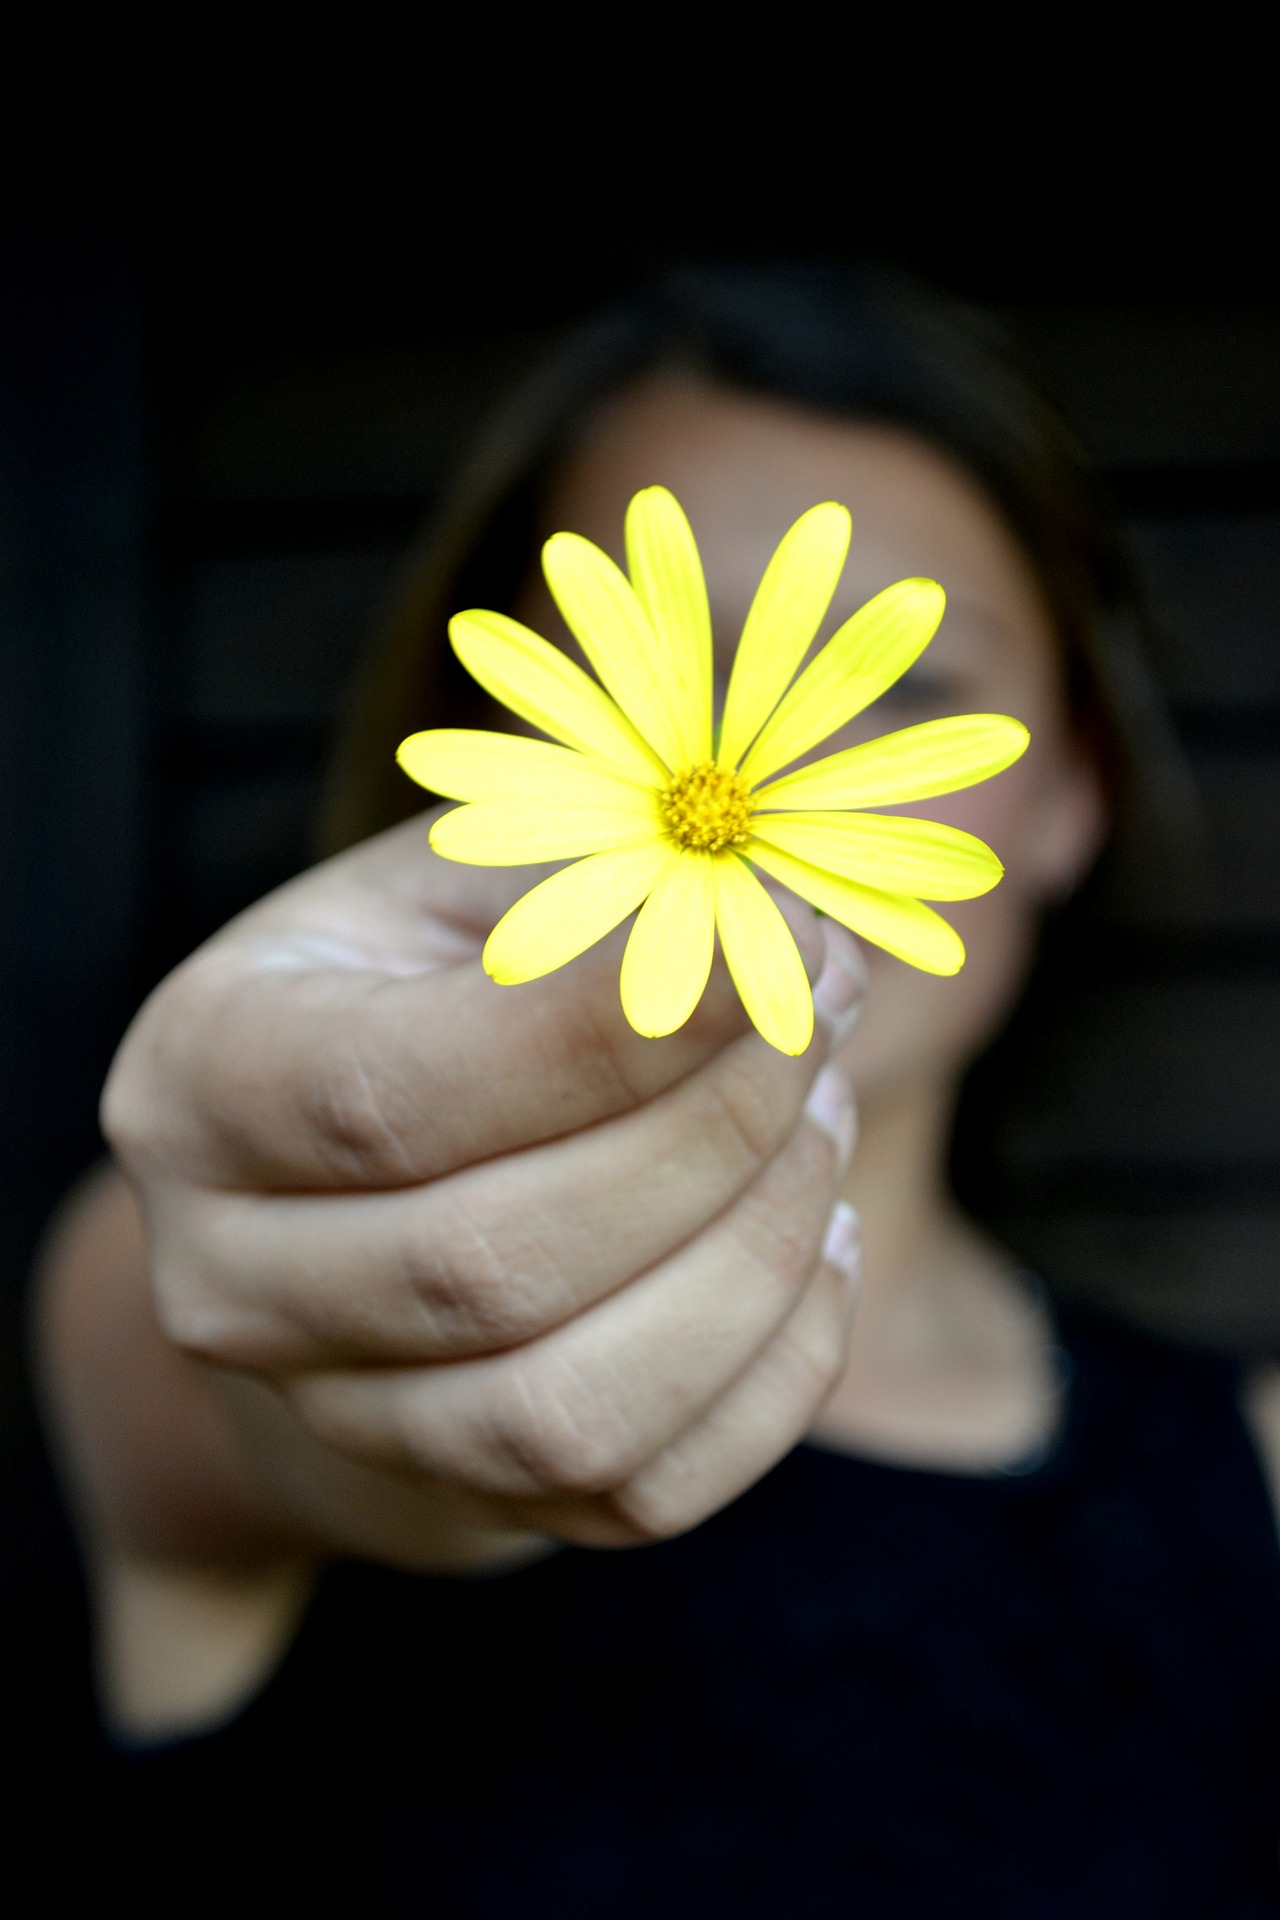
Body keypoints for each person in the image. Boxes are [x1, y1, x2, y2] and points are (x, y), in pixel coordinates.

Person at [35, 267, 1280, 1915]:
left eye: (906, 692)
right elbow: (264, 1379)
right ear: (515, 737)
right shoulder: (193, 1267)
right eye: (655, 679)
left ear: (1065, 794)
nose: (776, 788)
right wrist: (370, 1377)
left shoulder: (1245, 1478)